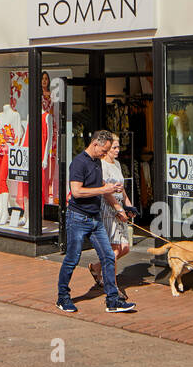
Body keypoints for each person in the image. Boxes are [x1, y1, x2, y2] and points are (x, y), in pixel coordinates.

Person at [56, 130, 137, 313]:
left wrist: (119, 205)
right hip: (77, 217)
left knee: (108, 256)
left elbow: (100, 187)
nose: (106, 153)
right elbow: (76, 192)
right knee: (72, 259)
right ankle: (63, 297)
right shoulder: (78, 163)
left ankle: (112, 300)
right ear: (95, 144)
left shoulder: (97, 162)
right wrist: (103, 190)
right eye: (105, 149)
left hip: (95, 218)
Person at [89, 133, 137, 291]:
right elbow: (105, 192)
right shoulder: (102, 166)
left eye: (118, 147)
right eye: (114, 147)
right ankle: (111, 283)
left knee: (125, 247)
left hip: (119, 207)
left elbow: (121, 188)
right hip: (108, 208)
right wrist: (117, 208)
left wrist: (128, 206)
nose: (117, 150)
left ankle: (97, 267)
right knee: (115, 248)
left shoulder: (116, 164)